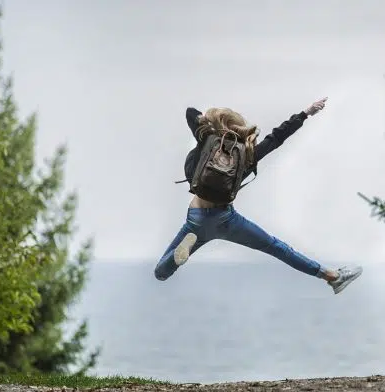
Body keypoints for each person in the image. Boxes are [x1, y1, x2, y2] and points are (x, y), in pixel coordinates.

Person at [154, 97, 363, 294]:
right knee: (276, 247)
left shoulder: (207, 139)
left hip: (196, 218)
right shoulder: (247, 154)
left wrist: (211, 122)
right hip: (226, 219)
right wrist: (305, 113)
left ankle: (176, 258)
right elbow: (277, 137)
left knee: (161, 273)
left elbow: (191, 112)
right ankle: (332, 277)